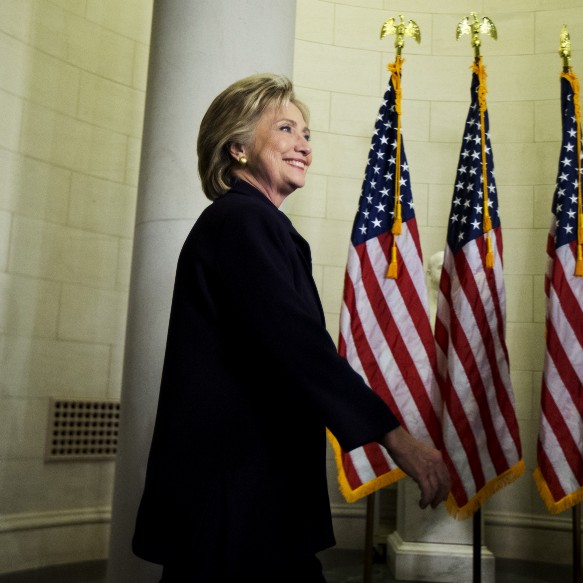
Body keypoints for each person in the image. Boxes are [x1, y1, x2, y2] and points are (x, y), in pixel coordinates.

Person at [131, 73, 451, 582]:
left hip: (251, 498)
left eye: (307, 133)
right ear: (237, 147)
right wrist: (394, 437)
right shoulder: (242, 221)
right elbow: (297, 346)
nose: (303, 145)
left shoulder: (255, 224)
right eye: (286, 128)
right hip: (235, 502)